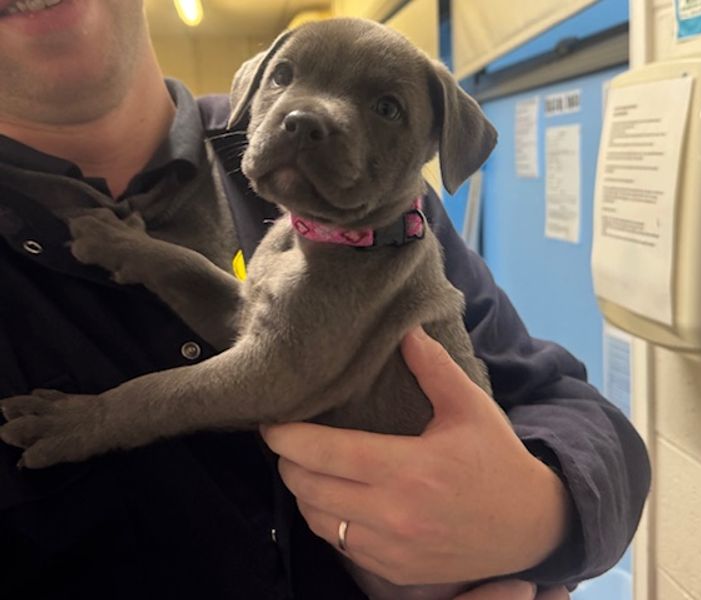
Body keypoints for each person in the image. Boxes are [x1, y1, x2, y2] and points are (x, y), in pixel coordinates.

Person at [0, 1, 650, 599]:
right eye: (285, 75)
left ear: (433, 153)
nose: (312, 115)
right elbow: (259, 323)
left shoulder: (394, 221)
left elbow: (583, 421)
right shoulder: (314, 223)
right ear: (253, 89)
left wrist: (534, 516)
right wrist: (145, 256)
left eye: (386, 108)